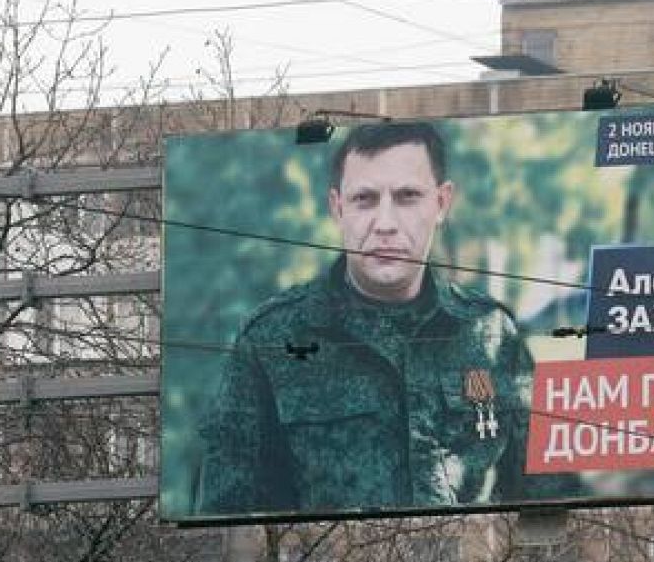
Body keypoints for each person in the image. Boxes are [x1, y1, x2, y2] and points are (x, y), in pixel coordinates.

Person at [194, 121, 536, 517]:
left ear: (441, 203)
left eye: (407, 197)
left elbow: (545, 495)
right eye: (365, 199)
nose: (385, 223)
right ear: (338, 208)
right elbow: (224, 519)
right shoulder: (270, 340)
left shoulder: (491, 334)